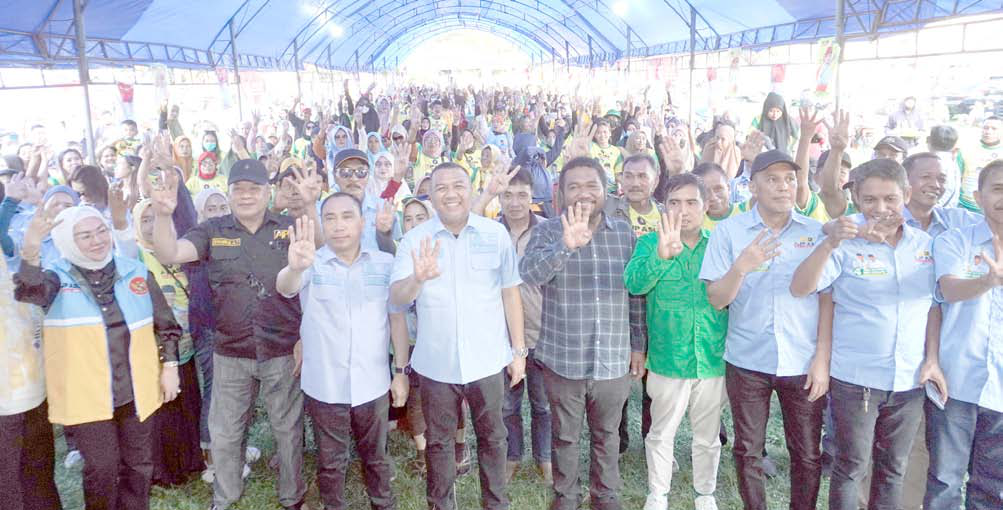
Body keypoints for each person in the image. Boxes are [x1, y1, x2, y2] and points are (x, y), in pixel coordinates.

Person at [150, 159, 319, 510]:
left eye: (253, 189)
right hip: (229, 350)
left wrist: (309, 205)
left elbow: (319, 246)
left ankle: (293, 496)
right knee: (225, 432)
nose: (246, 196)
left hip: (281, 348)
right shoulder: (211, 230)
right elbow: (169, 252)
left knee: (287, 431)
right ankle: (225, 497)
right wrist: (164, 215)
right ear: (229, 194)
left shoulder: (287, 226)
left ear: (267, 192)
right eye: (238, 189)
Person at [790, 158, 945, 510]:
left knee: (894, 468)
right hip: (856, 379)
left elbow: (933, 306)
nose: (881, 208)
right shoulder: (842, 238)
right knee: (851, 467)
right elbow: (801, 288)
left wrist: (932, 359)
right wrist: (829, 242)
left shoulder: (925, 245)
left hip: (908, 380)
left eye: (890, 198)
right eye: (870, 199)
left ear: (906, 194)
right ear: (857, 198)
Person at [14, 204, 182, 510]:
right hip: (87, 395)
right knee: (102, 469)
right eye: (85, 236)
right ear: (67, 240)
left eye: (101, 231)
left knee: (139, 466)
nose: (97, 241)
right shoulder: (56, 278)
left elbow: (167, 326)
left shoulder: (136, 272)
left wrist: (170, 366)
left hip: (136, 391)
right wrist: (31, 250)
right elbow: (29, 292)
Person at [390, 162, 527, 510]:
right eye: (441, 188)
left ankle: (495, 503)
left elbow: (510, 293)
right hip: (437, 364)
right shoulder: (414, 240)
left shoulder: (494, 235)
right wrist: (417, 279)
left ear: (471, 189)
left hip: (488, 360)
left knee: (494, 438)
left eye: (458, 186)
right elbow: (397, 299)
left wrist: (519, 350)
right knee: (438, 443)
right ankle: (441, 504)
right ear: (431, 195)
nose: (450, 194)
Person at [698, 149, 827, 510]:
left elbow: (828, 299)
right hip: (747, 358)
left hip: (802, 361)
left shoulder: (816, 233)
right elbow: (716, 299)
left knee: (806, 452)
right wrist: (741, 267)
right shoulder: (730, 232)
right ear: (752, 186)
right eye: (772, 179)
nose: (783, 187)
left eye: (790, 179)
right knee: (748, 449)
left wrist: (822, 358)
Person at [519, 156, 647, 510]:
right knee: (565, 436)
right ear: (561, 193)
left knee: (607, 435)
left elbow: (635, 293)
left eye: (591, 185)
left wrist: (638, 345)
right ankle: (566, 498)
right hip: (563, 357)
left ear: (605, 190)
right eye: (574, 186)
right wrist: (565, 246)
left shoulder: (623, 233)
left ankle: (605, 497)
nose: (583, 193)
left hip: (613, 358)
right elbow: (529, 274)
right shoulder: (547, 231)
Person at [276, 196, 410, 510]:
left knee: (376, 456)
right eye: (330, 218)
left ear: (361, 223)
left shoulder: (384, 264)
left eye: (347, 217)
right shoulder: (312, 262)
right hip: (325, 384)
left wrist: (401, 372)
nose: (338, 226)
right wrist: (294, 268)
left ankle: (383, 503)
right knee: (331, 461)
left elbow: (396, 319)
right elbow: (286, 286)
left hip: (372, 382)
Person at [624, 173, 728, 510]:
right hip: (668, 358)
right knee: (661, 432)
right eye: (674, 202)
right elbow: (634, 284)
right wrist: (661, 257)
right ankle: (658, 493)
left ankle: (705, 492)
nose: (683, 210)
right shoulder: (648, 243)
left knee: (708, 436)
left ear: (706, 205)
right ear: (663, 206)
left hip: (712, 358)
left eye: (691, 202)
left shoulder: (720, 245)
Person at [926, 159, 1003, 510]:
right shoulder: (955, 240)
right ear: (979, 195)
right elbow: (949, 289)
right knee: (945, 479)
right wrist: (988, 281)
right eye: (997, 189)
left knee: (993, 484)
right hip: (955, 379)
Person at [133, 197, 206, 486]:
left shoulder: (180, 251)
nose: (152, 226)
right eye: (145, 220)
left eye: (157, 218)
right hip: (155, 348)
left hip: (187, 345)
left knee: (188, 403)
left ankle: (191, 460)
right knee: (164, 410)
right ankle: (164, 471)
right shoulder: (134, 257)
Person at [493, 168, 552, 484]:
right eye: (508, 194)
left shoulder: (547, 230)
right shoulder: (489, 233)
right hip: (501, 334)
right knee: (507, 405)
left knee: (543, 404)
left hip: (542, 331)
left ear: (533, 197)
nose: (514, 202)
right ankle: (512, 456)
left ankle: (545, 459)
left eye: (522, 195)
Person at [604, 153, 661, 452]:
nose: (636, 182)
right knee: (619, 378)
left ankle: (653, 440)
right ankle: (618, 439)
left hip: (657, 308)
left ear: (656, 180)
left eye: (643, 176)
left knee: (655, 382)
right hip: (619, 306)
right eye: (629, 175)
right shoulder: (609, 208)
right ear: (620, 179)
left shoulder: (666, 215)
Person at [0, 252, 60, 510]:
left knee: (39, 468)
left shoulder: (11, 281)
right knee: (8, 480)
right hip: (5, 404)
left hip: (34, 393)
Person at [330, 148, 400, 254]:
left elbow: (396, 255)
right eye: (345, 172)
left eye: (361, 172)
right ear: (334, 176)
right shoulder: (321, 211)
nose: (353, 179)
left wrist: (383, 234)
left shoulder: (384, 209)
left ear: (368, 176)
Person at [958, 116, 1002, 213]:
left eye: (994, 129)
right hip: (966, 207)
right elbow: (956, 177)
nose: (988, 131)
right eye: (985, 128)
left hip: (996, 210)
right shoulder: (966, 149)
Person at [926, 125, 961, 208]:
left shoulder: (933, 163)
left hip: (937, 212)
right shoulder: (952, 163)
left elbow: (947, 192)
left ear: (928, 140)